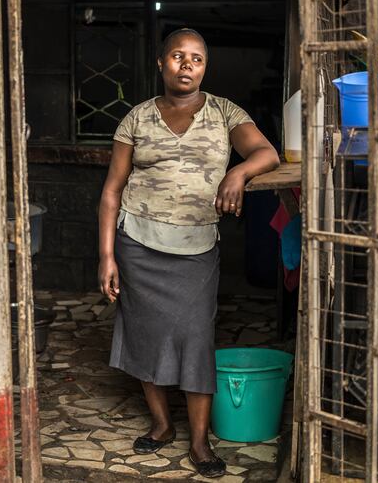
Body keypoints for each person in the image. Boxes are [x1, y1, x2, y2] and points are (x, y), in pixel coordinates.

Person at [97, 28, 279, 478]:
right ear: (161, 64)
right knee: (144, 334)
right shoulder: (135, 118)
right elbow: (111, 192)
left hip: (196, 247)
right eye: (177, 56)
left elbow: (267, 153)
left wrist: (237, 173)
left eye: (196, 58)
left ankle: (198, 441)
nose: (186, 64)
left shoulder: (224, 112)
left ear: (205, 67)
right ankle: (160, 425)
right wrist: (107, 255)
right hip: (137, 244)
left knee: (196, 338)